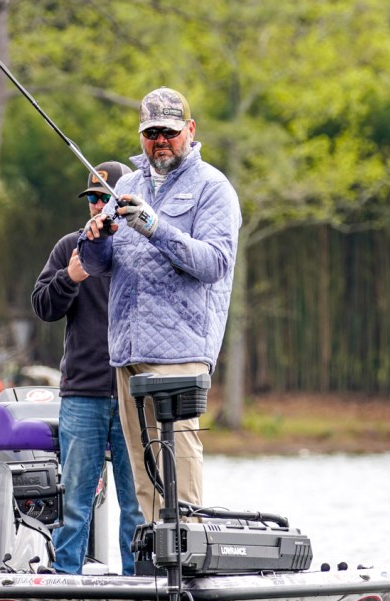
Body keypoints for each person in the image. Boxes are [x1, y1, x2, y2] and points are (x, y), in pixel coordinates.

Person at [78, 87, 242, 523]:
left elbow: (214, 263)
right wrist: (95, 240)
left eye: (169, 132)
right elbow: (100, 267)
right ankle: (156, 555)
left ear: (190, 130)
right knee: (142, 470)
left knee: (178, 468)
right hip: (127, 351)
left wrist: (155, 225)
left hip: (180, 352)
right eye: (151, 133)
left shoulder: (213, 188)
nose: (160, 141)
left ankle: (188, 550)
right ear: (141, 136)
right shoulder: (126, 185)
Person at [31, 160, 146, 575]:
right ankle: (66, 578)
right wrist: (70, 277)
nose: (97, 205)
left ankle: (140, 582)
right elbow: (43, 306)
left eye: (105, 198)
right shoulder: (71, 247)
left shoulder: (143, 246)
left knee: (138, 503)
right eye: (92, 198)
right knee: (75, 500)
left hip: (136, 392)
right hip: (83, 392)